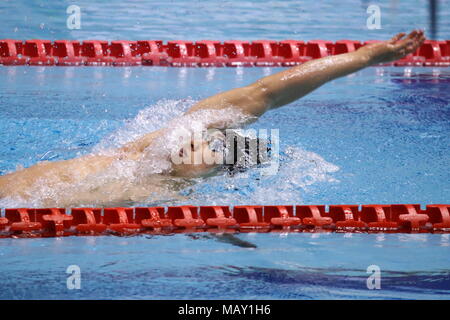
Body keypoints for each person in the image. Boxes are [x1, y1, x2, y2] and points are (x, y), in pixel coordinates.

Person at [0, 30, 425, 207]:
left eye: (216, 152)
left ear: (217, 174)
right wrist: (365, 57)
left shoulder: (160, 194)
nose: (203, 142)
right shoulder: (160, 141)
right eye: (216, 137)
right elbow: (270, 91)